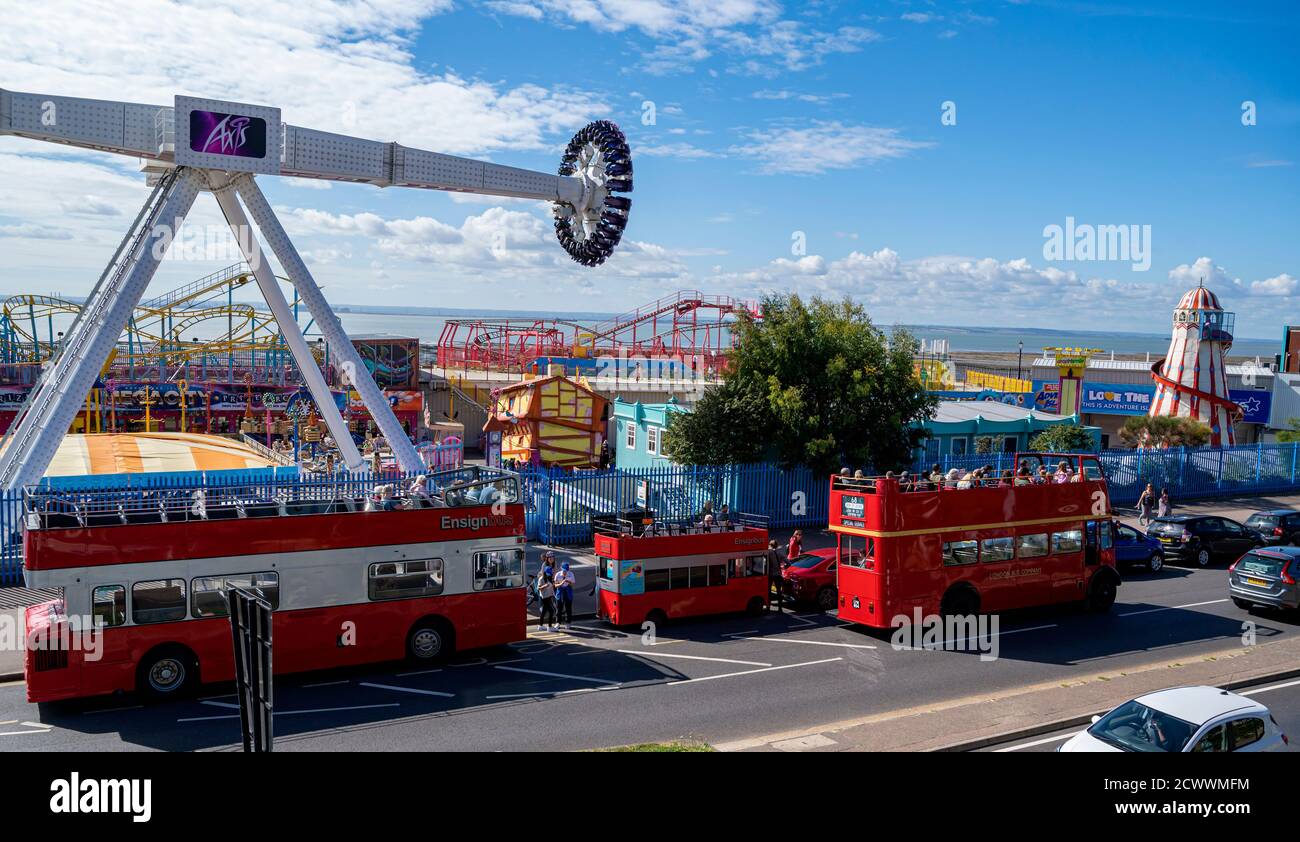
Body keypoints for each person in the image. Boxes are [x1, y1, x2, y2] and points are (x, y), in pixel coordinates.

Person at [553, 558, 575, 628]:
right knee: (559, 608)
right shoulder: (558, 575)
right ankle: (558, 622)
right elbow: (555, 585)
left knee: (568, 608)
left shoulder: (571, 574)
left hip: (568, 591)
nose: (565, 572)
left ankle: (568, 622)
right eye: (564, 570)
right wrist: (561, 583)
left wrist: (569, 582)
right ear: (561, 568)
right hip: (560, 591)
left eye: (566, 570)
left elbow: (572, 585)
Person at [536, 564, 557, 632]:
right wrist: (545, 586)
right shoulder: (541, 579)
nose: (549, 575)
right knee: (551, 611)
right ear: (545, 572)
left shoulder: (550, 578)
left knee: (544, 612)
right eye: (548, 573)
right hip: (544, 597)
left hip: (549, 596)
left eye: (550, 573)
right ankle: (549, 627)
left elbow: (552, 586)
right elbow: (538, 588)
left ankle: (541, 625)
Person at [766, 539, 785, 614]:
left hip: (770, 574)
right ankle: (780, 608)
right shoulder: (779, 553)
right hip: (777, 575)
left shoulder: (768, 552)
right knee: (779, 591)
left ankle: (768, 607)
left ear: (770, 545)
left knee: (768, 591)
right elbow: (788, 562)